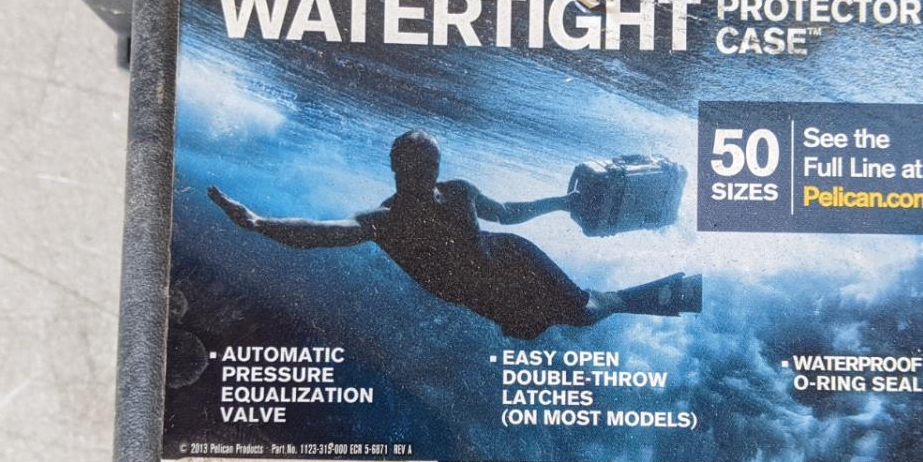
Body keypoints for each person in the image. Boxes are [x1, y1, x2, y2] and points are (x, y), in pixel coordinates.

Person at [207, 129, 702, 340]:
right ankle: (647, 295)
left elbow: (505, 215)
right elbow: (319, 233)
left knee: (584, 314)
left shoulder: (457, 191)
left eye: (432, 166)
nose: (427, 174)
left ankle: (653, 293)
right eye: (418, 166)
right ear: (397, 168)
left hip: (512, 259)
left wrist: (562, 202)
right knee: (537, 328)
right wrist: (259, 224)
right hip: (487, 292)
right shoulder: (384, 221)